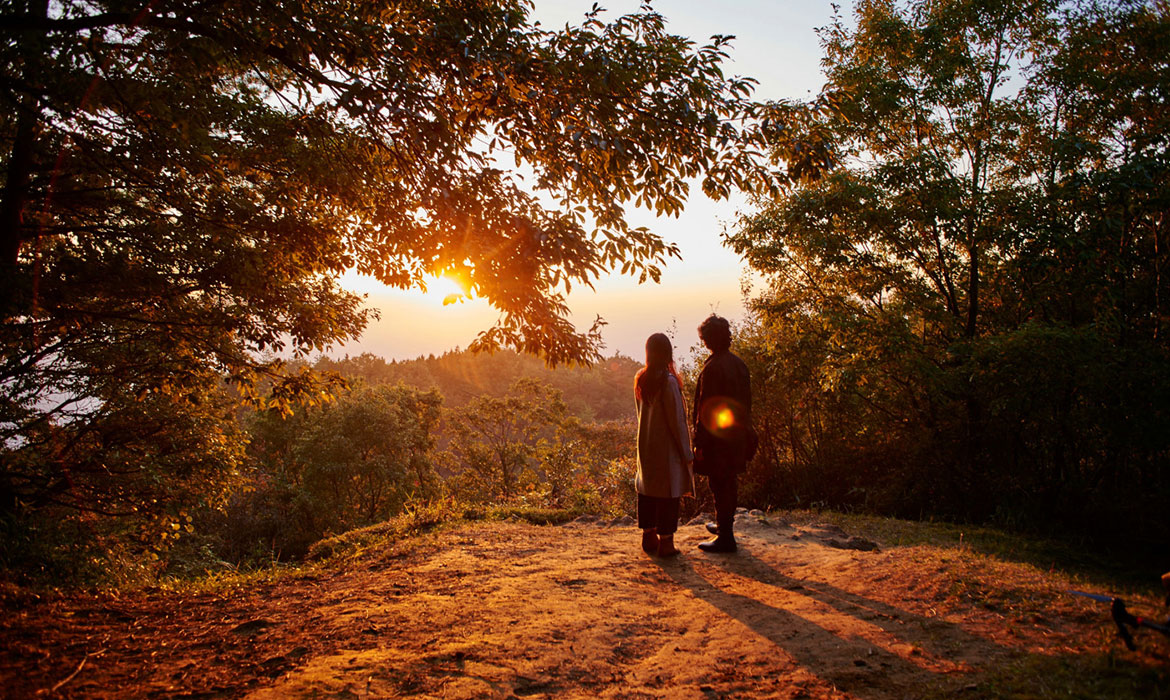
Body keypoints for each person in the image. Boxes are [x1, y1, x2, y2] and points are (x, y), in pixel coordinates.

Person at [692, 314, 754, 553]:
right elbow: (746, 404)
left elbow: (706, 409)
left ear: (709, 340)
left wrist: (699, 443)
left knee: (720, 484)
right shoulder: (739, 365)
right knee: (729, 483)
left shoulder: (713, 368)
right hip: (737, 436)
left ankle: (726, 538)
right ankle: (723, 526)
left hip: (719, 441)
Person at [634, 333, 694, 557]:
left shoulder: (641, 378)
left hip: (646, 444)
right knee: (668, 494)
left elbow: (640, 414)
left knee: (647, 489)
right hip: (666, 448)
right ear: (668, 353)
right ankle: (666, 543)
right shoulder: (668, 382)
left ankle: (648, 537)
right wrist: (686, 452)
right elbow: (677, 421)